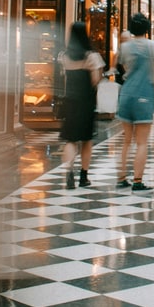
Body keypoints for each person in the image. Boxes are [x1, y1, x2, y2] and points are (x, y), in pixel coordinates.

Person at [115, 13, 154, 192]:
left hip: (126, 94)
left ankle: (121, 177)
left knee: (127, 141)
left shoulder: (124, 47)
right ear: (147, 29)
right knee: (142, 142)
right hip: (144, 95)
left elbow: (122, 67)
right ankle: (137, 180)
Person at [58, 21, 103, 189]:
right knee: (86, 139)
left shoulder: (64, 56)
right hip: (86, 102)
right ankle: (84, 176)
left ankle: (69, 171)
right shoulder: (91, 57)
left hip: (70, 101)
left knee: (70, 139)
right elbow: (95, 80)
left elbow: (64, 77)